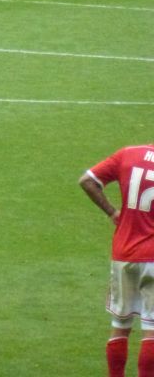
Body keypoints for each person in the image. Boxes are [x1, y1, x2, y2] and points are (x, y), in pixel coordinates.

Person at [79, 143, 154, 377]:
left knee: (120, 326)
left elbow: (87, 181)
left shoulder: (128, 154)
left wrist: (112, 212)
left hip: (124, 254)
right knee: (151, 330)